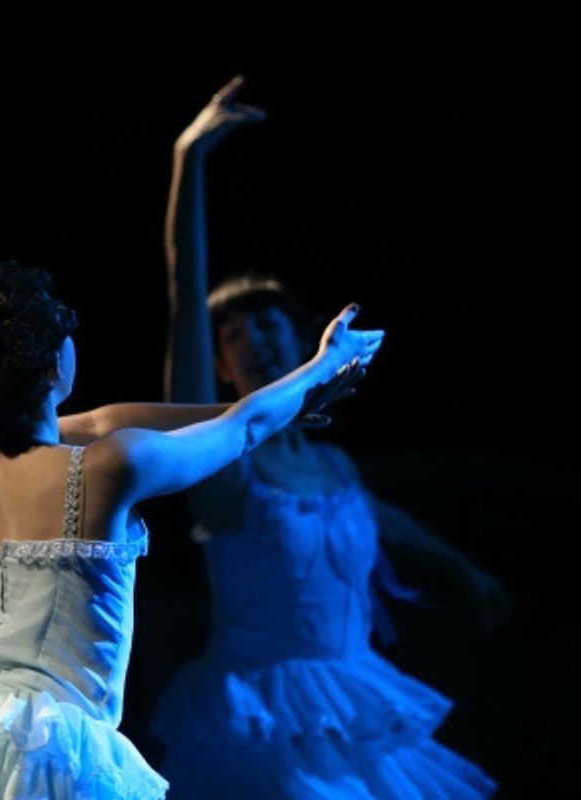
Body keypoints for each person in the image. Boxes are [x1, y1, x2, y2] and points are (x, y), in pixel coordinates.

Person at [0, 249, 381, 797]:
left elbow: (101, 418)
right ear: (54, 365)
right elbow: (246, 427)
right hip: (56, 746)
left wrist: (291, 406)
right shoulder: (111, 468)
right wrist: (323, 365)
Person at [146, 76, 505, 798]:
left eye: (268, 324)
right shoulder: (226, 468)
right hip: (259, 718)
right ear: (220, 365)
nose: (254, 342)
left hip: (353, 706)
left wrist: (463, 567)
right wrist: (192, 160)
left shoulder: (335, 464)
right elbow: (187, 298)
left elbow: (377, 517)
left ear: (304, 337)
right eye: (234, 336)